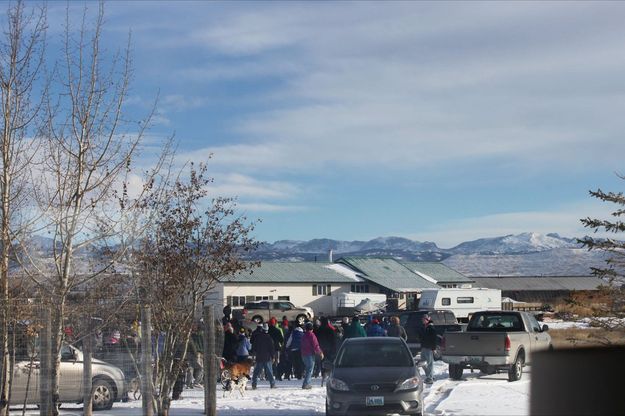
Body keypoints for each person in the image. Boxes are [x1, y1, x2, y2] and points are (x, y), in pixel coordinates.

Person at [251, 323, 277, 389]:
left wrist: (253, 355)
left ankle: (254, 384)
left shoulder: (258, 337)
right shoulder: (269, 338)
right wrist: (273, 357)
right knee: (269, 372)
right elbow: (271, 348)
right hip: (267, 358)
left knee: (256, 372)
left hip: (259, 357)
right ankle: (272, 384)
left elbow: (254, 347)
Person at [300, 321, 323, 389]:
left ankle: (308, 383)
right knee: (310, 369)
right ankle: (306, 384)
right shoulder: (312, 335)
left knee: (308, 369)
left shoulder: (303, 335)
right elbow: (316, 345)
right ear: (312, 328)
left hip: (303, 354)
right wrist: (320, 352)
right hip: (309, 354)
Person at [315, 317, 338, 385]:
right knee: (330, 361)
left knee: (322, 362)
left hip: (321, 348)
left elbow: (316, 339)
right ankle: (330, 373)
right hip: (329, 348)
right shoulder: (330, 330)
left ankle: (323, 374)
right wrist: (334, 348)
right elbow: (333, 340)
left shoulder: (318, 330)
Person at [420, 315, 437, 384]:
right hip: (423, 347)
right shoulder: (424, 327)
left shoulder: (431, 327)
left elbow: (434, 339)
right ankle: (430, 375)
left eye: (424, 319)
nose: (422, 320)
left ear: (427, 320)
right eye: (422, 319)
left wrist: (433, 348)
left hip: (429, 348)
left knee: (429, 363)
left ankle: (430, 378)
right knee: (422, 363)